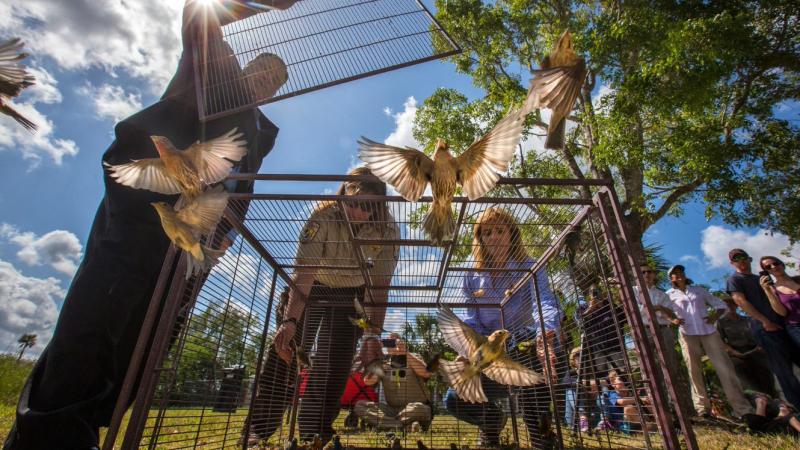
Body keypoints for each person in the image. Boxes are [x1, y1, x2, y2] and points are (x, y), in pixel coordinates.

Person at [3, 2, 283, 449]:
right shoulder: (214, 73)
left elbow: (240, 187)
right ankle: (50, 432)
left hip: (193, 238)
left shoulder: (259, 131)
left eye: (275, 81)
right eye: (262, 70)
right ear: (245, 66)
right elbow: (199, 14)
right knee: (106, 306)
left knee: (150, 335)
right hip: (146, 206)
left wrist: (225, 231)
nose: (266, 81)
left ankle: (85, 426)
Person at [248, 167, 400, 442]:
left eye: (368, 207)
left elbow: (378, 286)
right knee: (288, 350)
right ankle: (259, 428)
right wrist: (290, 321)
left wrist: (372, 334)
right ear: (344, 195)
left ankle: (314, 431)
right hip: (313, 286)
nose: (359, 213)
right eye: (354, 203)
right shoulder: (323, 216)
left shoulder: (387, 229)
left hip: (353, 292)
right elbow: (304, 272)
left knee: (335, 363)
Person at [444, 207, 562, 448]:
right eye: (486, 233)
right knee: (454, 398)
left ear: (512, 234)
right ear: (479, 239)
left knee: (527, 351)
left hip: (523, 347)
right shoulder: (470, 275)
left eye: (500, 230)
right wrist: (466, 354)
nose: (494, 237)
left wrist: (545, 339)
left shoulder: (530, 266)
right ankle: (492, 423)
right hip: (487, 355)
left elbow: (545, 302)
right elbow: (471, 321)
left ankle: (542, 435)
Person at [666, 264, 753, 419]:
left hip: (708, 331)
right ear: (670, 278)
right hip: (687, 333)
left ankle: (742, 409)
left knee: (724, 368)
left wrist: (714, 317)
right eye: (674, 273)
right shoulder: (669, 295)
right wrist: (672, 319)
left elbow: (720, 305)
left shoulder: (698, 290)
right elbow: (663, 311)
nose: (678, 274)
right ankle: (702, 409)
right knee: (694, 370)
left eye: (680, 272)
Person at [727, 249, 800, 410]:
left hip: (785, 325)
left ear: (750, 259)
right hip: (765, 328)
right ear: (732, 263)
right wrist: (765, 321)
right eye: (736, 259)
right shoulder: (735, 279)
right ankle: (797, 405)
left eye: (743, 257)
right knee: (783, 370)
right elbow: (740, 301)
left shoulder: (761, 278)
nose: (741, 261)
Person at [354, 334, 433, 430]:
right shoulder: (383, 363)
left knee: (419, 408)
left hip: (415, 407)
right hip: (392, 410)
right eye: (388, 342)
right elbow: (368, 381)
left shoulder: (413, 357)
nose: (392, 343)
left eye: (395, 341)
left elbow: (426, 373)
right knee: (360, 405)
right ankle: (401, 425)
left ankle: (387, 424)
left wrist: (405, 353)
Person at [716, 294, 778, 397]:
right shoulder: (720, 323)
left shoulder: (747, 320)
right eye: (726, 305)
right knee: (738, 367)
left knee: (764, 369)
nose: (729, 307)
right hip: (736, 352)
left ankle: (774, 397)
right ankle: (758, 399)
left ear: (736, 306)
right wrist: (731, 350)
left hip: (754, 350)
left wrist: (760, 345)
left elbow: (758, 334)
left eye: (732, 304)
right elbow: (720, 340)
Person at [759, 255, 800, 346]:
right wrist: (767, 290)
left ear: (782, 265)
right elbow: (782, 312)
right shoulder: (773, 289)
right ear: (767, 271)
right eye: (768, 267)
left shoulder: (798, 279)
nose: (773, 267)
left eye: (775, 263)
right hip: (796, 326)